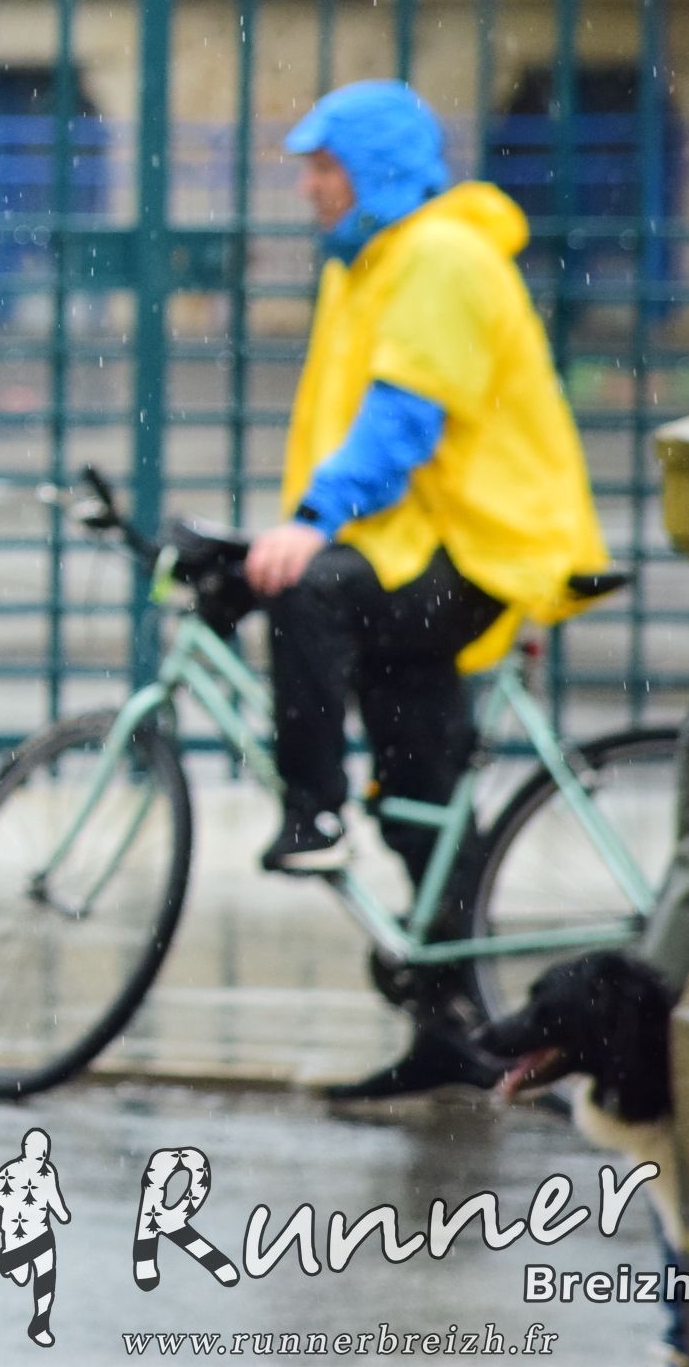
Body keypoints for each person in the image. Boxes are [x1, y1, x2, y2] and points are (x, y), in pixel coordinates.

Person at [247, 78, 612, 1100]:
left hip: (483, 547)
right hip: (420, 547)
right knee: (419, 796)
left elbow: (400, 419)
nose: (310, 187)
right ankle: (450, 1028)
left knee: (310, 598)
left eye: (325, 167)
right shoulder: (370, 263)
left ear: (373, 170)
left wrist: (311, 524)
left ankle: (311, 814)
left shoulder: (439, 256)